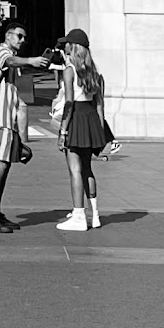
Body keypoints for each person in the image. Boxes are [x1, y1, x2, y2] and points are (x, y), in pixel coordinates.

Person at [0, 24, 49, 234]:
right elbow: (9, 61)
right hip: (0, 118)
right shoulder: (2, 52)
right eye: (19, 36)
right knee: (0, 164)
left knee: (6, 165)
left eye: (24, 37)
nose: (22, 40)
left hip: (7, 119)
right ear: (8, 36)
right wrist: (31, 60)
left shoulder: (9, 54)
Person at [55, 29, 106, 233]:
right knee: (87, 169)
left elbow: (69, 102)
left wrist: (63, 131)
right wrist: (100, 131)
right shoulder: (96, 74)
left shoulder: (69, 71)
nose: (64, 46)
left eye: (67, 43)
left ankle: (78, 215)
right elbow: (100, 106)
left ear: (73, 47)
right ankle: (95, 215)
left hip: (76, 118)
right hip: (91, 119)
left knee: (74, 170)